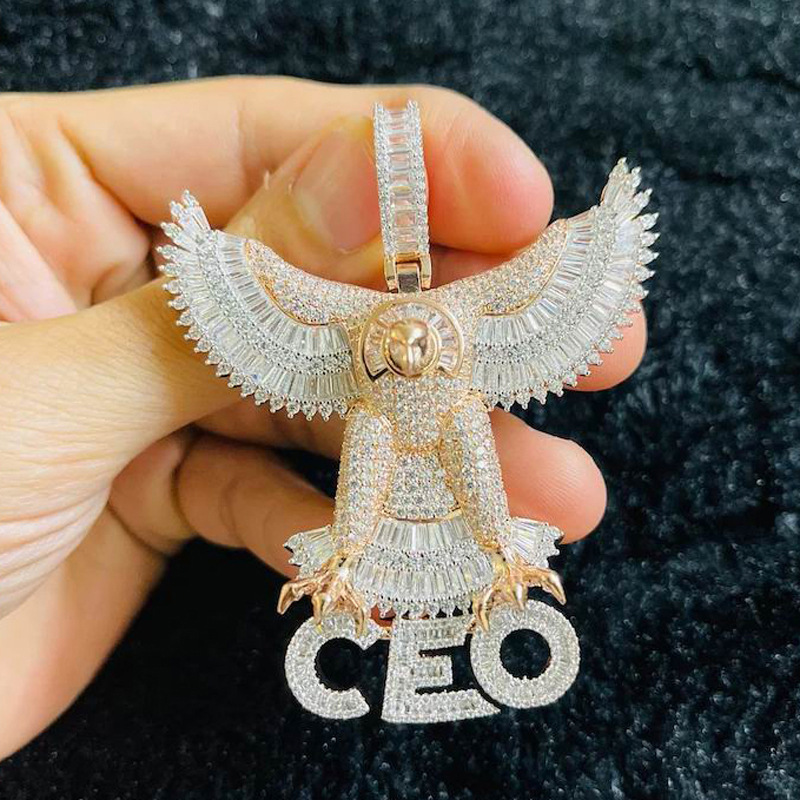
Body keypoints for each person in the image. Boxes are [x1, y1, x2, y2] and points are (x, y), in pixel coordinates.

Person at [0, 77, 646, 758]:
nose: (409, 354)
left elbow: (584, 268)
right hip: (373, 450)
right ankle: (349, 565)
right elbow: (221, 296)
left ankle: (497, 561)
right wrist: (189, 295)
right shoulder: (349, 351)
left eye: (421, 347)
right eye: (397, 349)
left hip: (454, 448)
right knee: (375, 451)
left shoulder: (474, 332)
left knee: (469, 442)